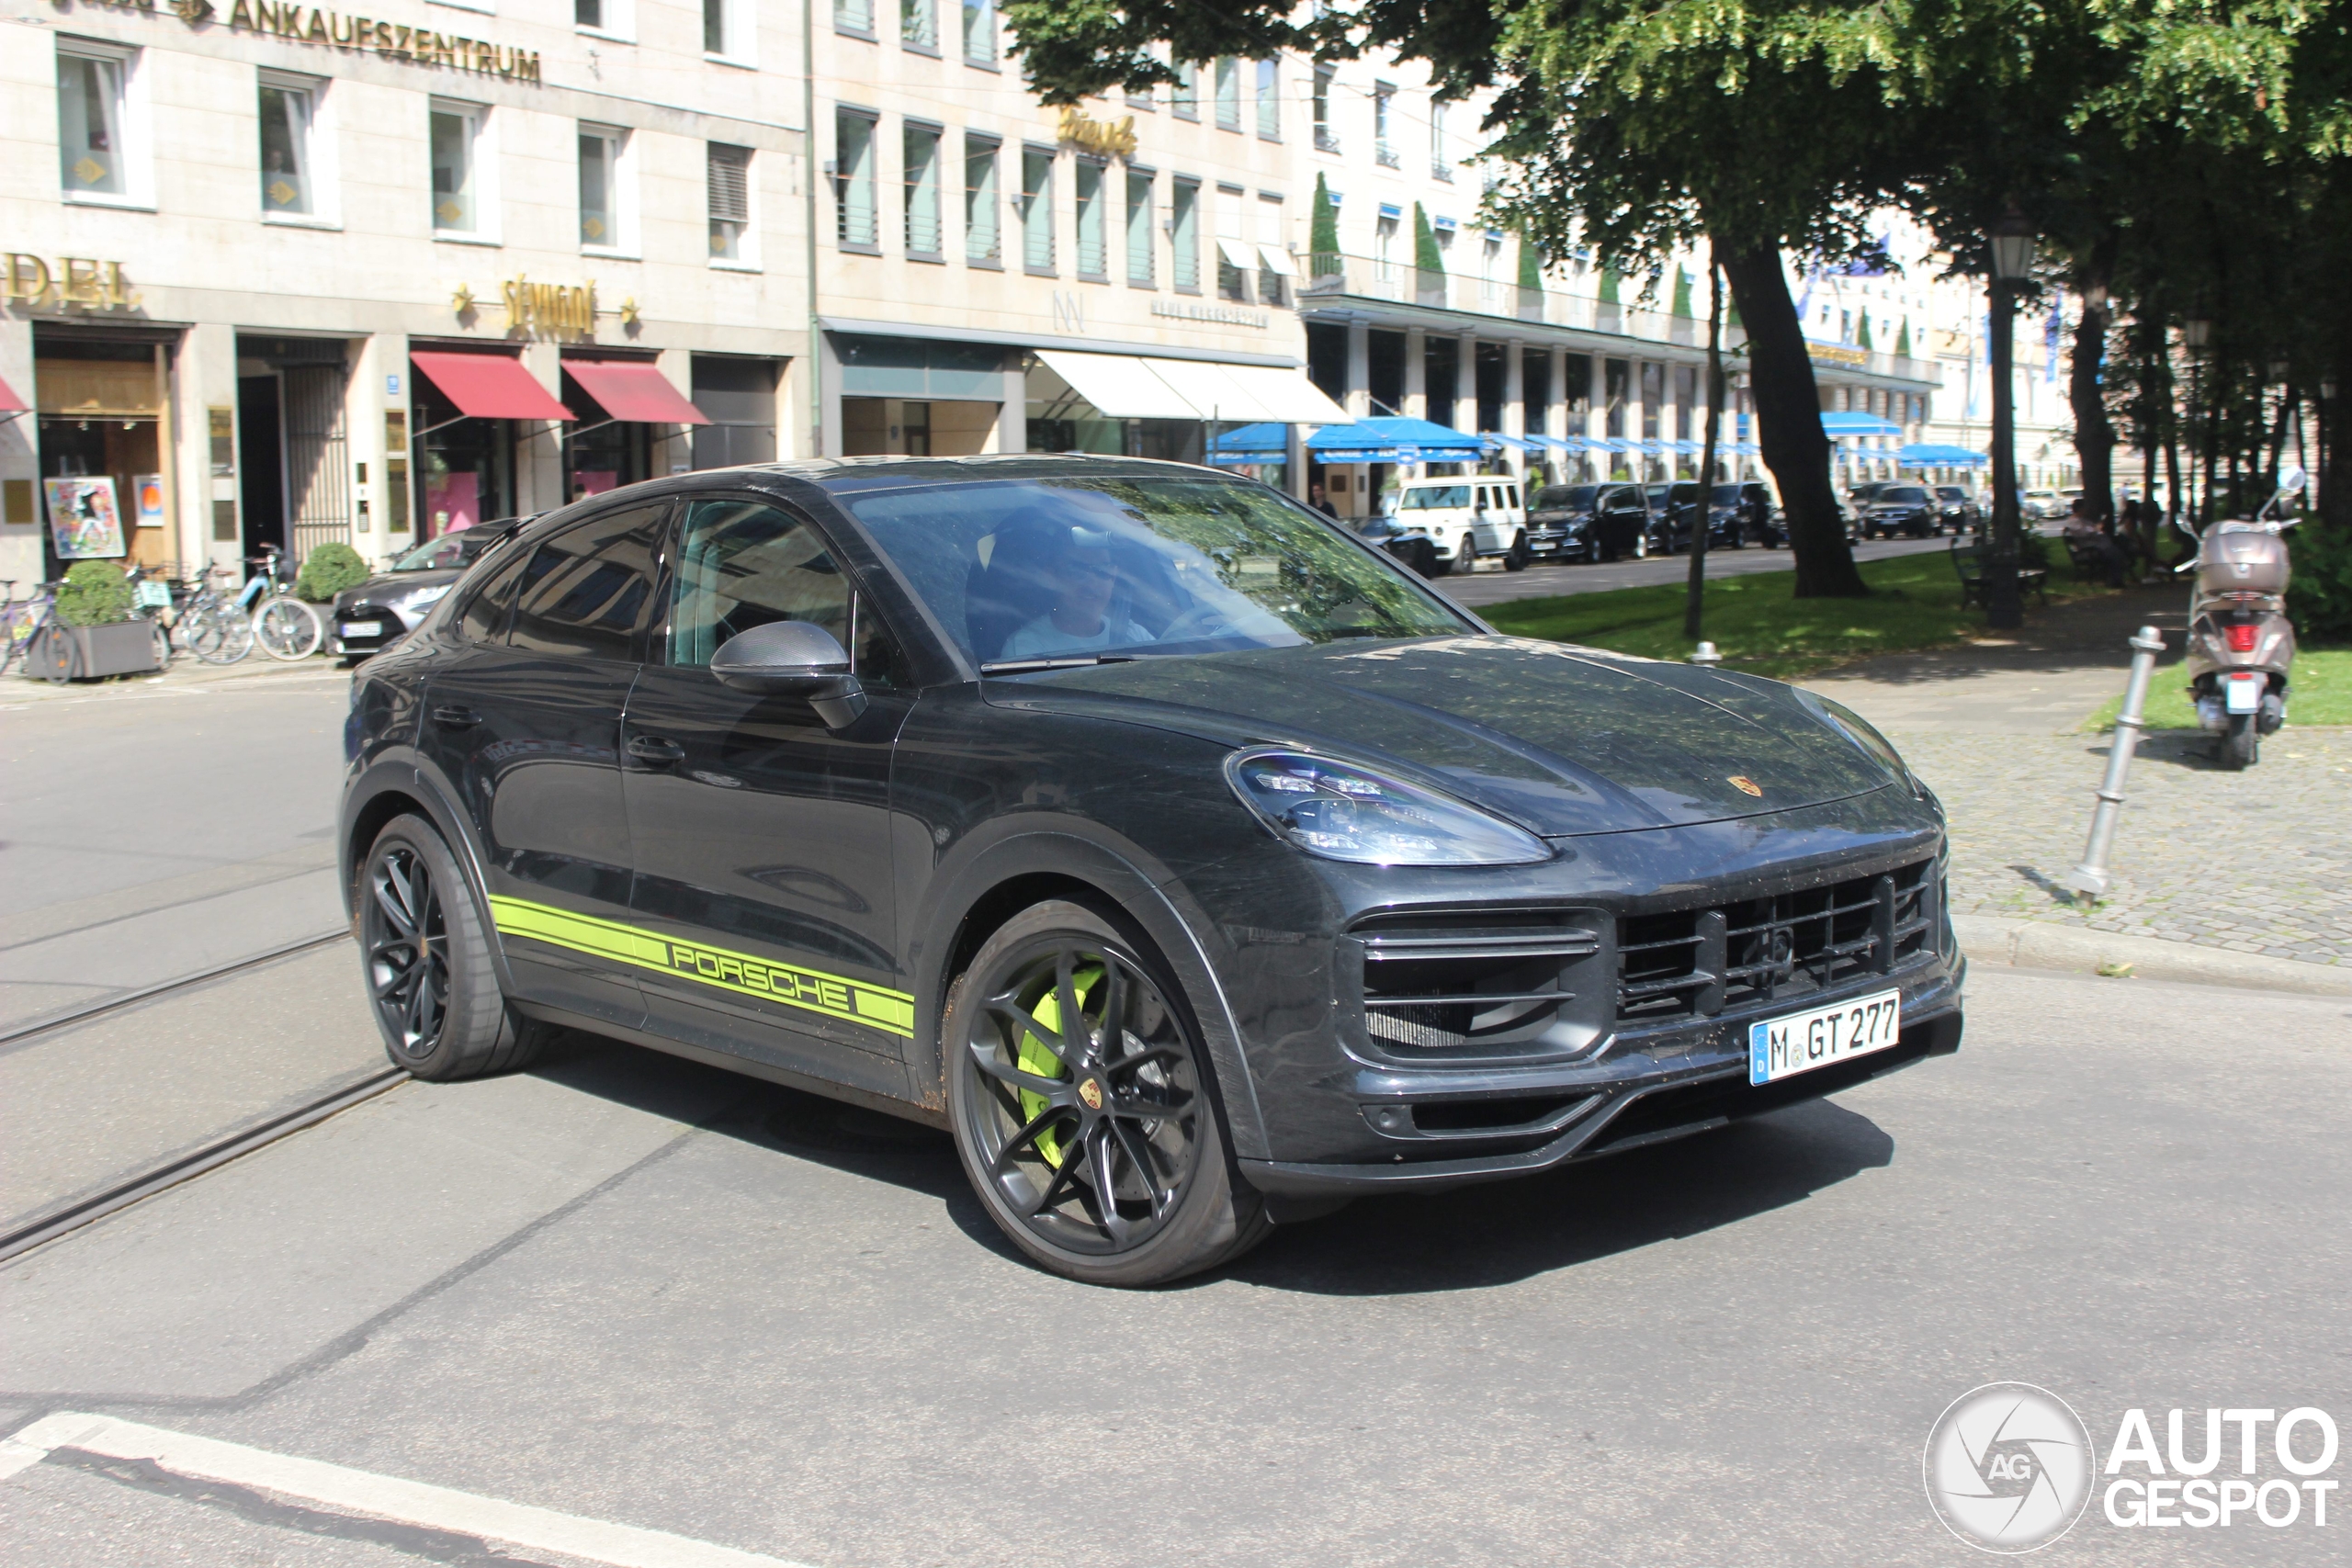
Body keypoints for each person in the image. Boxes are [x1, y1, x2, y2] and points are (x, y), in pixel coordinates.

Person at [998, 531, 1154, 660]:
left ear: (1114, 577)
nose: (1091, 582)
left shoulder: (1134, 636)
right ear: (1051, 577)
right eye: (1076, 570)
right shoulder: (1026, 648)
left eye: (1102, 571)